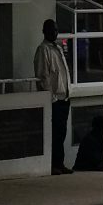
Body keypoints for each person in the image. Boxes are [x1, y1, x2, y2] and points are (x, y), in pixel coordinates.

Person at [32, 19, 73, 175]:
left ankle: (59, 163)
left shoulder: (58, 48)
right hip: (54, 100)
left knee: (61, 134)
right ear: (44, 31)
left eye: (56, 30)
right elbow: (43, 76)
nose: (54, 33)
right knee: (53, 134)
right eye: (51, 30)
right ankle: (52, 165)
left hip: (64, 98)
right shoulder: (43, 50)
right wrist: (52, 98)